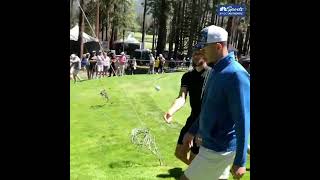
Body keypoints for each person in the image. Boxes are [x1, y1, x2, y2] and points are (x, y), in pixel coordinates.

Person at [181, 25, 250, 180]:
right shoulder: (215, 70)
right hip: (209, 144)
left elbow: (243, 120)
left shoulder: (236, 75)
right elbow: (208, 107)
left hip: (219, 149)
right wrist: (192, 130)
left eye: (204, 47)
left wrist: (240, 161)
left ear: (218, 46)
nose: (201, 51)